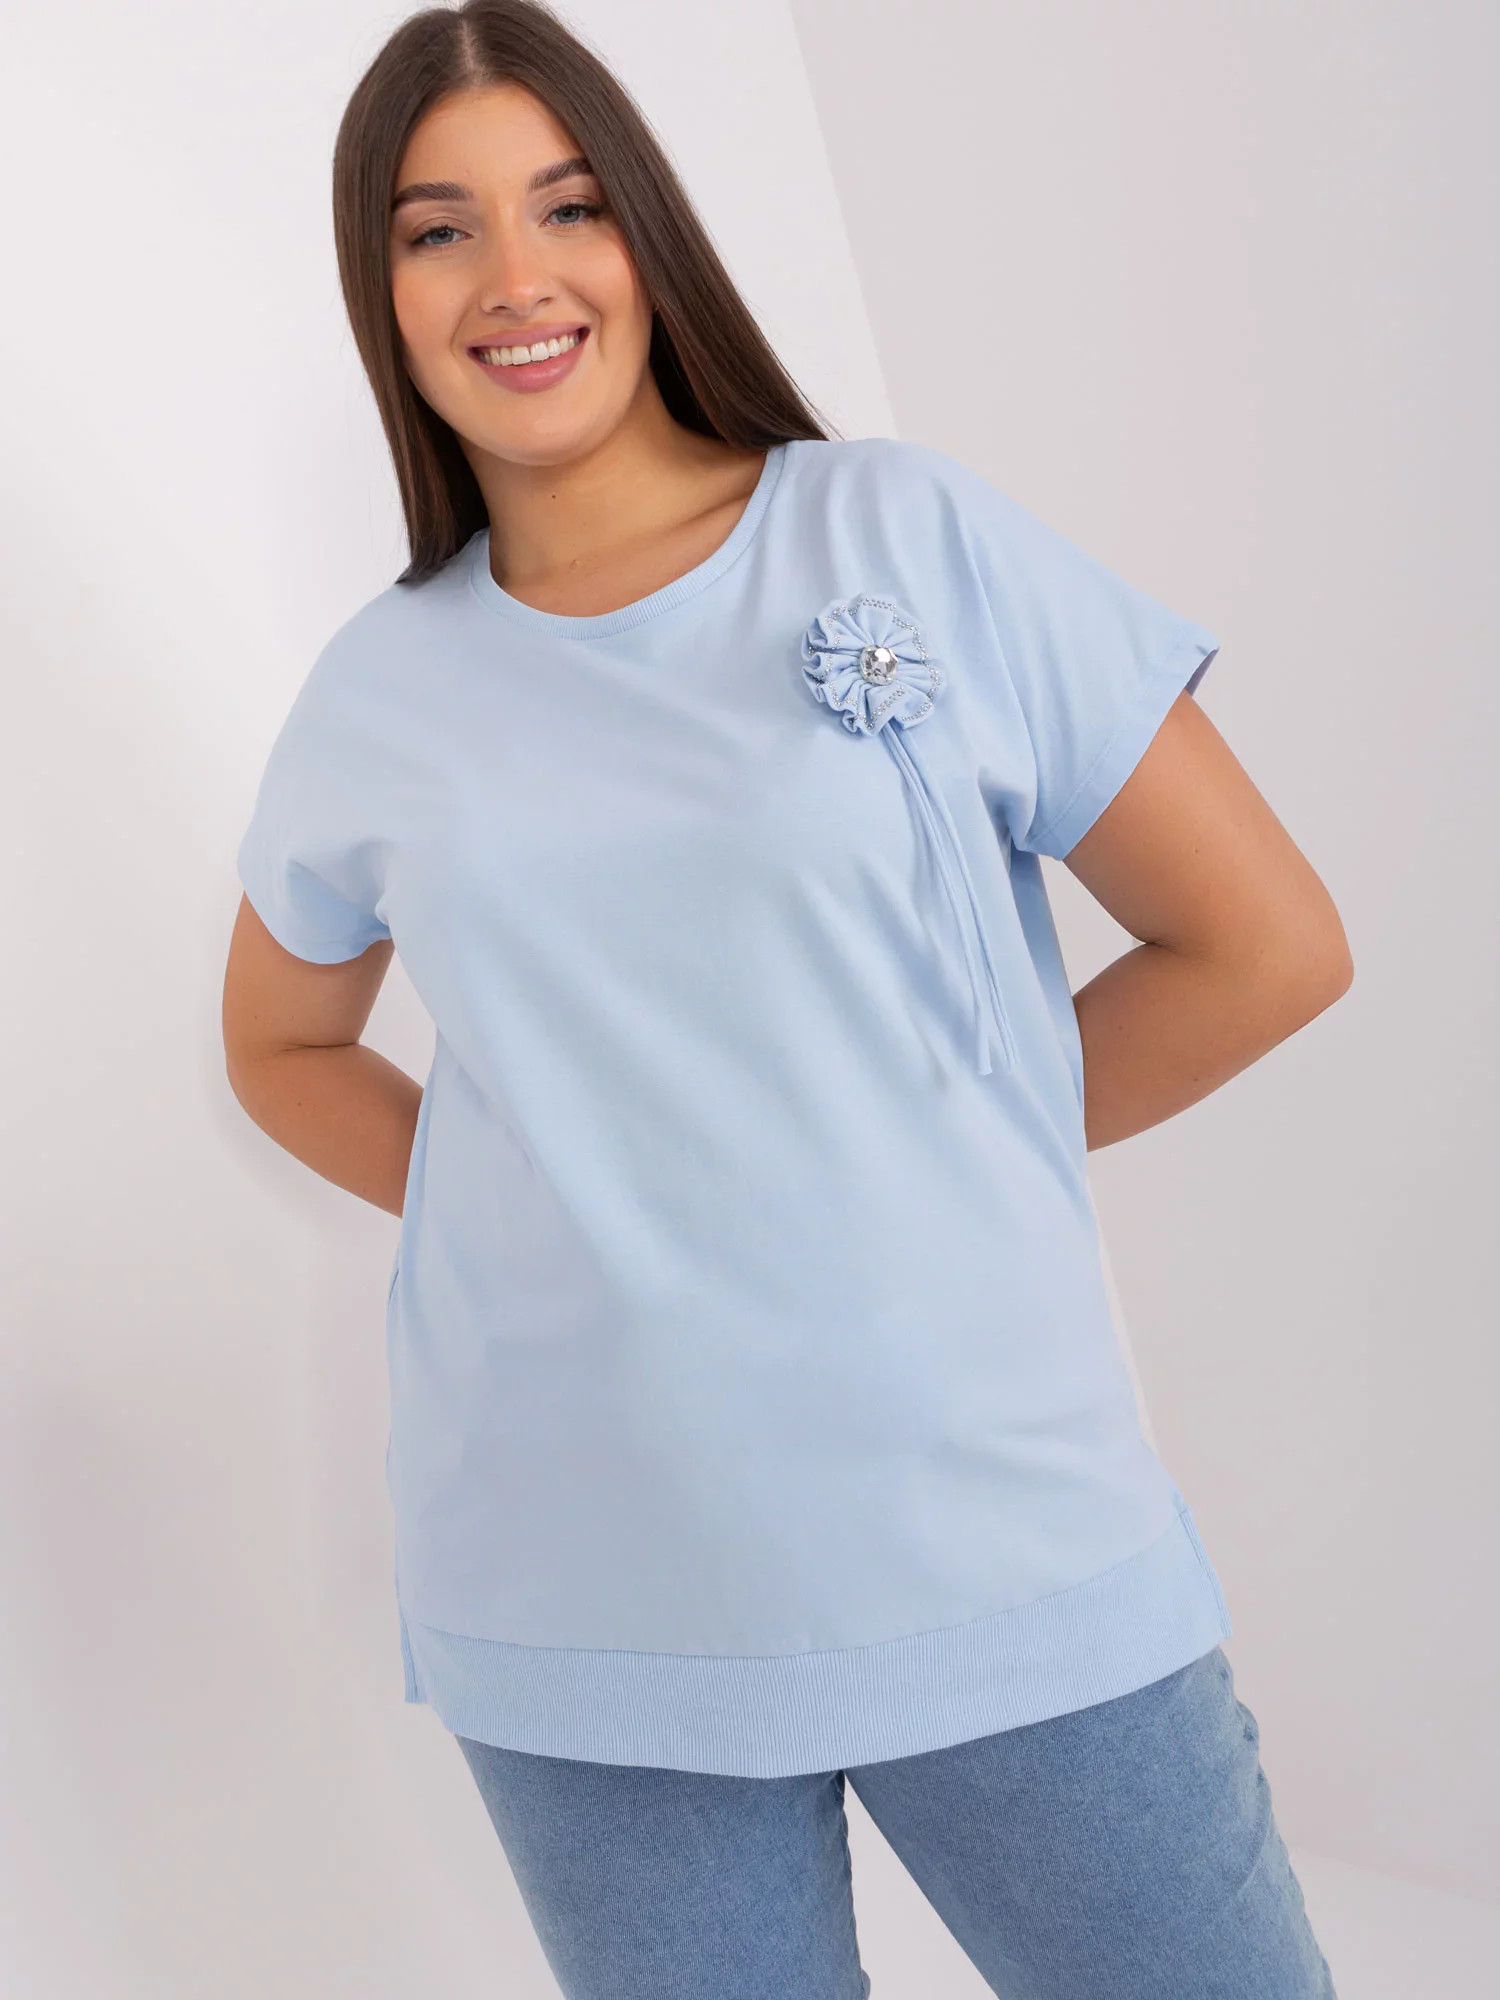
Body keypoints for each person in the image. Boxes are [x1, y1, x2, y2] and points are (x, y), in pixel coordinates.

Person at [221, 3, 1349, 1993]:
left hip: (995, 1542)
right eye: (438, 229)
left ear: (647, 232)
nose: (515, 276)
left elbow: (1266, 946)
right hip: (576, 1600)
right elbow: (281, 1042)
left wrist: (913, 1153)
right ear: (379, 293)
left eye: (569, 205)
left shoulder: (899, 532)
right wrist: (557, 1199)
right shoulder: (380, 689)